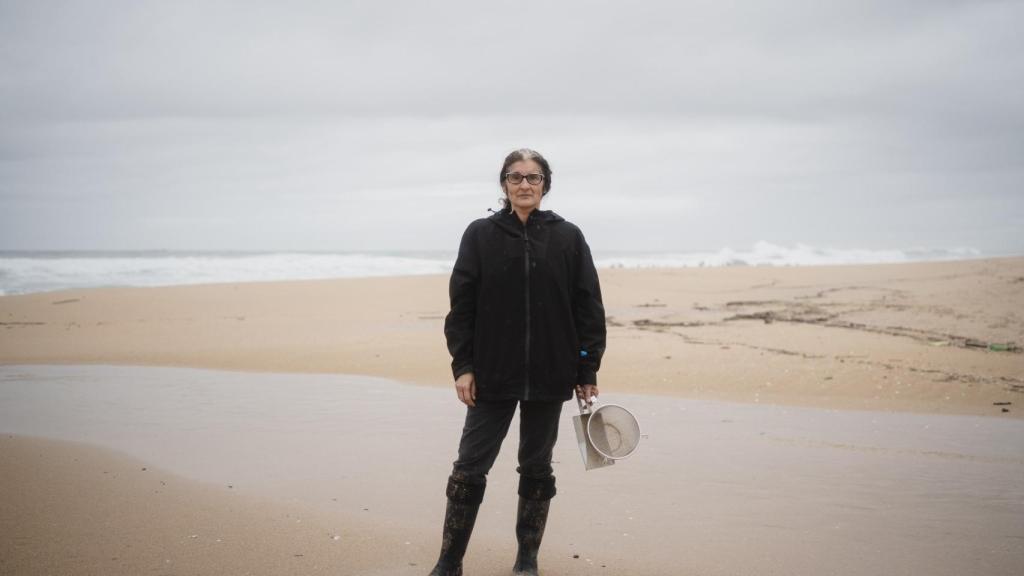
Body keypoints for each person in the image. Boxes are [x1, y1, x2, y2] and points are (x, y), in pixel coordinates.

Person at [429, 148, 606, 576]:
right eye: (515, 177)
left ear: (546, 184)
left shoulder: (568, 237)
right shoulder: (480, 235)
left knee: (536, 467)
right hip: (491, 373)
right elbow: (462, 308)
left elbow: (588, 308)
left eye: (533, 177)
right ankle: (449, 562)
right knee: (469, 468)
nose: (524, 184)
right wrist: (463, 366)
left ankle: (527, 560)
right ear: (503, 184)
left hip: (550, 373)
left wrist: (586, 368)